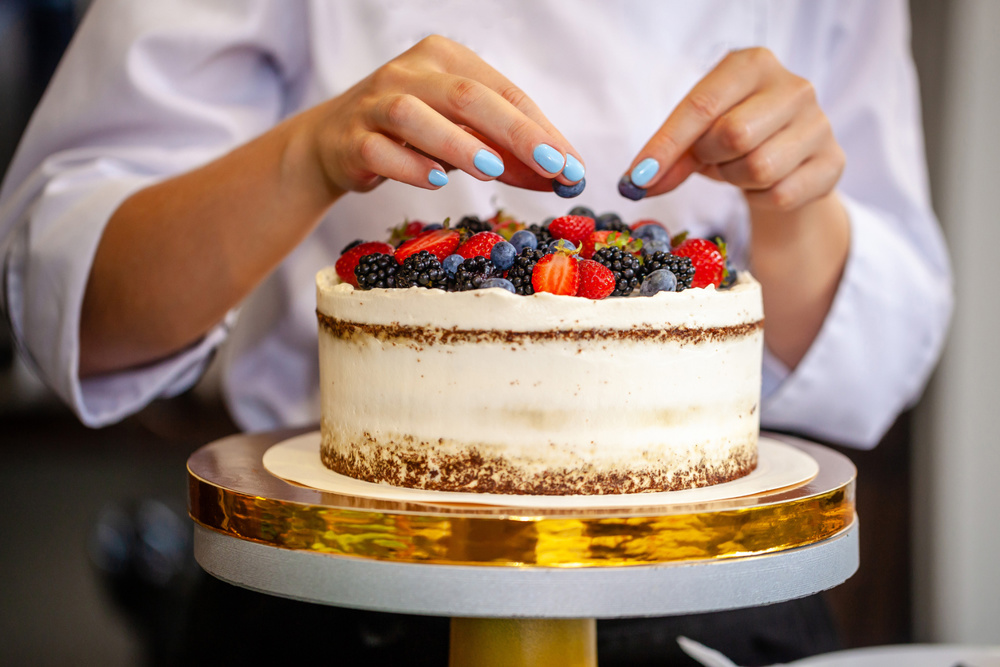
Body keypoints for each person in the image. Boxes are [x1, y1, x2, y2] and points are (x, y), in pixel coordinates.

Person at [0, 1, 952, 664]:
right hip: (333, 601)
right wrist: (309, 152)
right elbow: (74, 301)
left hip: (713, 602)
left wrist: (788, 204)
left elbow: (883, 351)